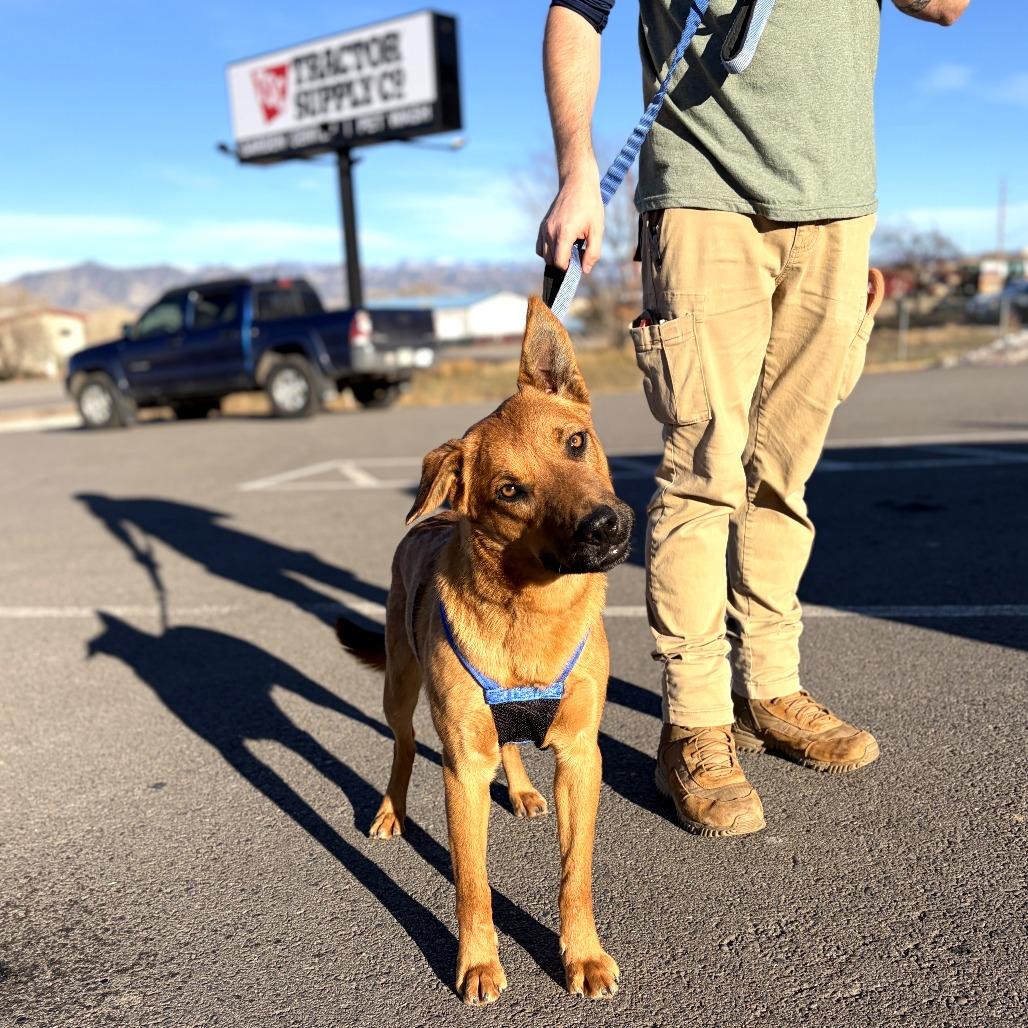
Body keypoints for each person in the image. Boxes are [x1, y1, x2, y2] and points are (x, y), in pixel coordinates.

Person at [537, 0, 970, 836]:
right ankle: (696, 723)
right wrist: (576, 169)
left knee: (785, 474)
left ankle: (768, 689)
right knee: (704, 473)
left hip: (838, 206)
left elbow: (946, 8)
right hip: (704, 192)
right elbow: (576, 12)